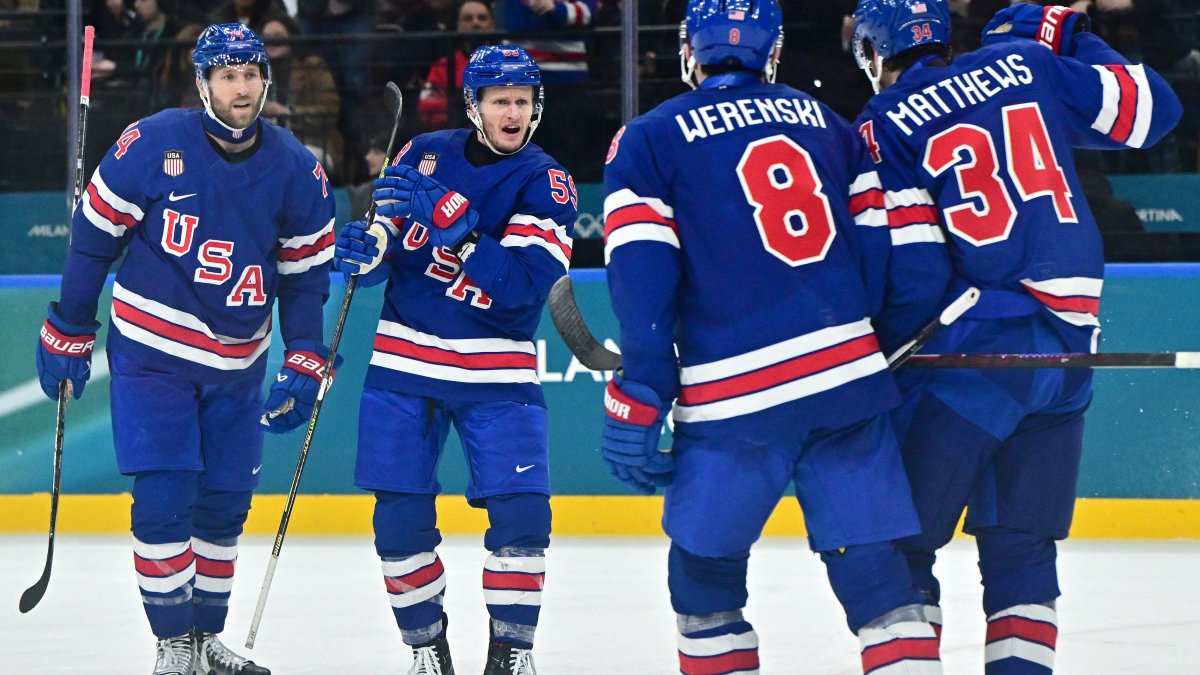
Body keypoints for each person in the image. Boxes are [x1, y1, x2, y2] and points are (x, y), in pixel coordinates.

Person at [600, 0, 952, 671]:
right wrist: (855, 344)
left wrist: (641, 389)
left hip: (737, 402)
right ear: (775, 50)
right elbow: (879, 256)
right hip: (848, 384)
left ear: (688, 51)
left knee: (703, 579)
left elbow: (642, 281)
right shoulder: (834, 126)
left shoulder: (649, 138)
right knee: (880, 578)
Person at [850, 1, 1182, 672]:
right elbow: (1156, 110)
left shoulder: (882, 124)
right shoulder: (1025, 64)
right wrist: (1071, 38)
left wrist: (884, 356)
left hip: (974, 356)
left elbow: (913, 269)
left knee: (899, 546)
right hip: (1067, 354)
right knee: (1022, 547)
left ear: (872, 51)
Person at [34, 23, 338, 675]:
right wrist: (70, 322)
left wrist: (306, 352)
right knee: (166, 494)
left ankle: (203, 639)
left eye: (251, 74)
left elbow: (306, 276)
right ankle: (172, 644)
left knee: (225, 503)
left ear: (266, 80)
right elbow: (94, 237)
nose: (242, 87)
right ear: (203, 82)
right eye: (228, 75)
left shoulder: (296, 168)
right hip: (153, 353)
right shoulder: (151, 142)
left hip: (239, 364)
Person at [332, 45, 576, 675]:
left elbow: (521, 285)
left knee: (523, 516)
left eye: (523, 101)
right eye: (502, 101)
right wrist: (367, 251)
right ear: (474, 105)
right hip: (403, 366)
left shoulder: (546, 182)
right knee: (399, 522)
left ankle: (510, 655)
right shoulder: (422, 153)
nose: (514, 112)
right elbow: (389, 239)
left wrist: (461, 227)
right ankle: (426, 652)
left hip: (496, 373)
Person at [417, 0, 496, 130]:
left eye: (482, 18)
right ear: (458, 25)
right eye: (468, 19)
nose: (475, 23)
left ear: (492, 25)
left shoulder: (508, 64)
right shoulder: (442, 66)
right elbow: (427, 108)